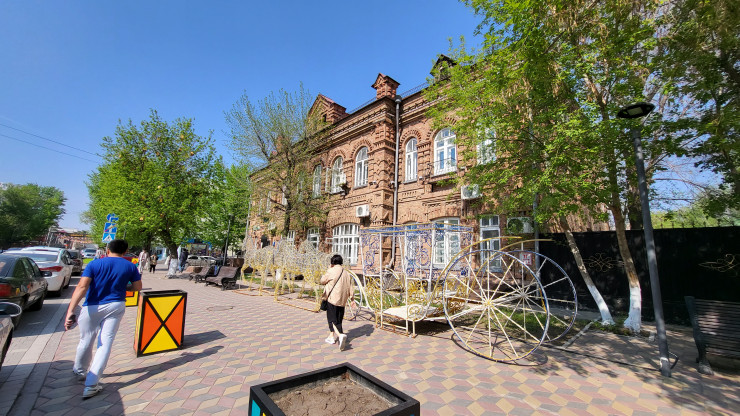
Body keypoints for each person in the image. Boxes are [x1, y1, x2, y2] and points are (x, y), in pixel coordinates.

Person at [65, 239, 142, 399]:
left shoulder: (94, 264)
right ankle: (92, 384)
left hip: (92, 306)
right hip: (116, 305)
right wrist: (123, 286)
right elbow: (137, 287)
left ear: (107, 250)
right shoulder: (130, 266)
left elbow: (82, 286)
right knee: (105, 343)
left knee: (86, 339)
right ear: (125, 251)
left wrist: (71, 310)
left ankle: (80, 371)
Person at [320, 254, 353, 351]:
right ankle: (331, 336)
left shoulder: (331, 271)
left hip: (333, 299)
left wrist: (328, 269)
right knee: (338, 318)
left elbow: (322, 281)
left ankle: (340, 335)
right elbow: (350, 286)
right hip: (342, 300)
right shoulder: (346, 273)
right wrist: (352, 299)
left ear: (332, 262)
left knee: (332, 319)